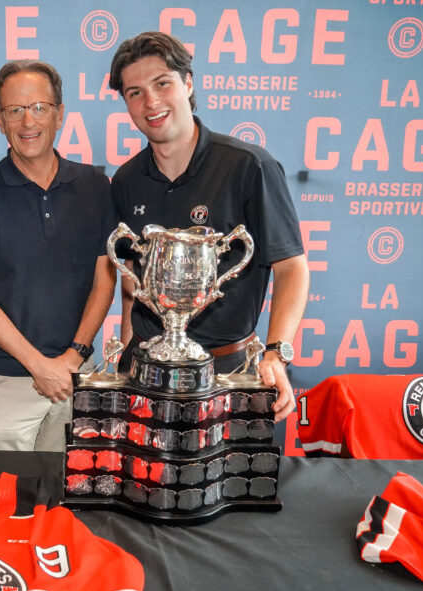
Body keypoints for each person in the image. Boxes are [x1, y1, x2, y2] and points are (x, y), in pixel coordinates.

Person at [108, 31, 309, 421]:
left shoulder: (249, 166)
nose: (151, 102)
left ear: (187, 82)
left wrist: (276, 353)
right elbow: (133, 285)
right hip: (147, 370)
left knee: (228, 482)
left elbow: (291, 268)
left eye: (162, 83)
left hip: (227, 371)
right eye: (134, 92)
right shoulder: (126, 180)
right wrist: (127, 358)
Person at [0, 60, 116, 452]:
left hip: (78, 372)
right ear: (0, 119)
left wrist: (73, 357)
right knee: (11, 500)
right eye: (14, 110)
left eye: (39, 107)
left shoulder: (94, 185)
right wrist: (41, 366)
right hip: (4, 379)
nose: (28, 121)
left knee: (70, 497)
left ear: (59, 113)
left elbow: (104, 280)